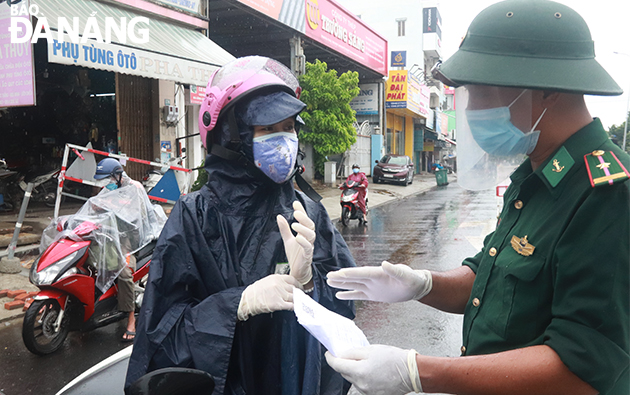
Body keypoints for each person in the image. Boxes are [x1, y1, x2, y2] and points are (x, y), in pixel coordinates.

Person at [324, 1, 629, 394]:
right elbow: (489, 278)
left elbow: (584, 365)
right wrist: (421, 285)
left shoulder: (607, 194)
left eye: (482, 89)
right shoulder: (534, 174)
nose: (472, 109)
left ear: (549, 88)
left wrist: (418, 372)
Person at [125, 56, 357, 394]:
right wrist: (239, 304)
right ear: (232, 135)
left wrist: (310, 286)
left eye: (289, 127)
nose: (283, 141)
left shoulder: (308, 213)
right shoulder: (196, 215)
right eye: (267, 129)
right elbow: (160, 340)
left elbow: (343, 317)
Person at [93, 157, 157, 342]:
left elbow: (139, 218)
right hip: (107, 237)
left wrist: (116, 208)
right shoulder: (107, 189)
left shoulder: (135, 188)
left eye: (110, 179)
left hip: (129, 241)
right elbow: (94, 208)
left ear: (118, 175)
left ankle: (130, 320)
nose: (107, 184)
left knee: (124, 274)